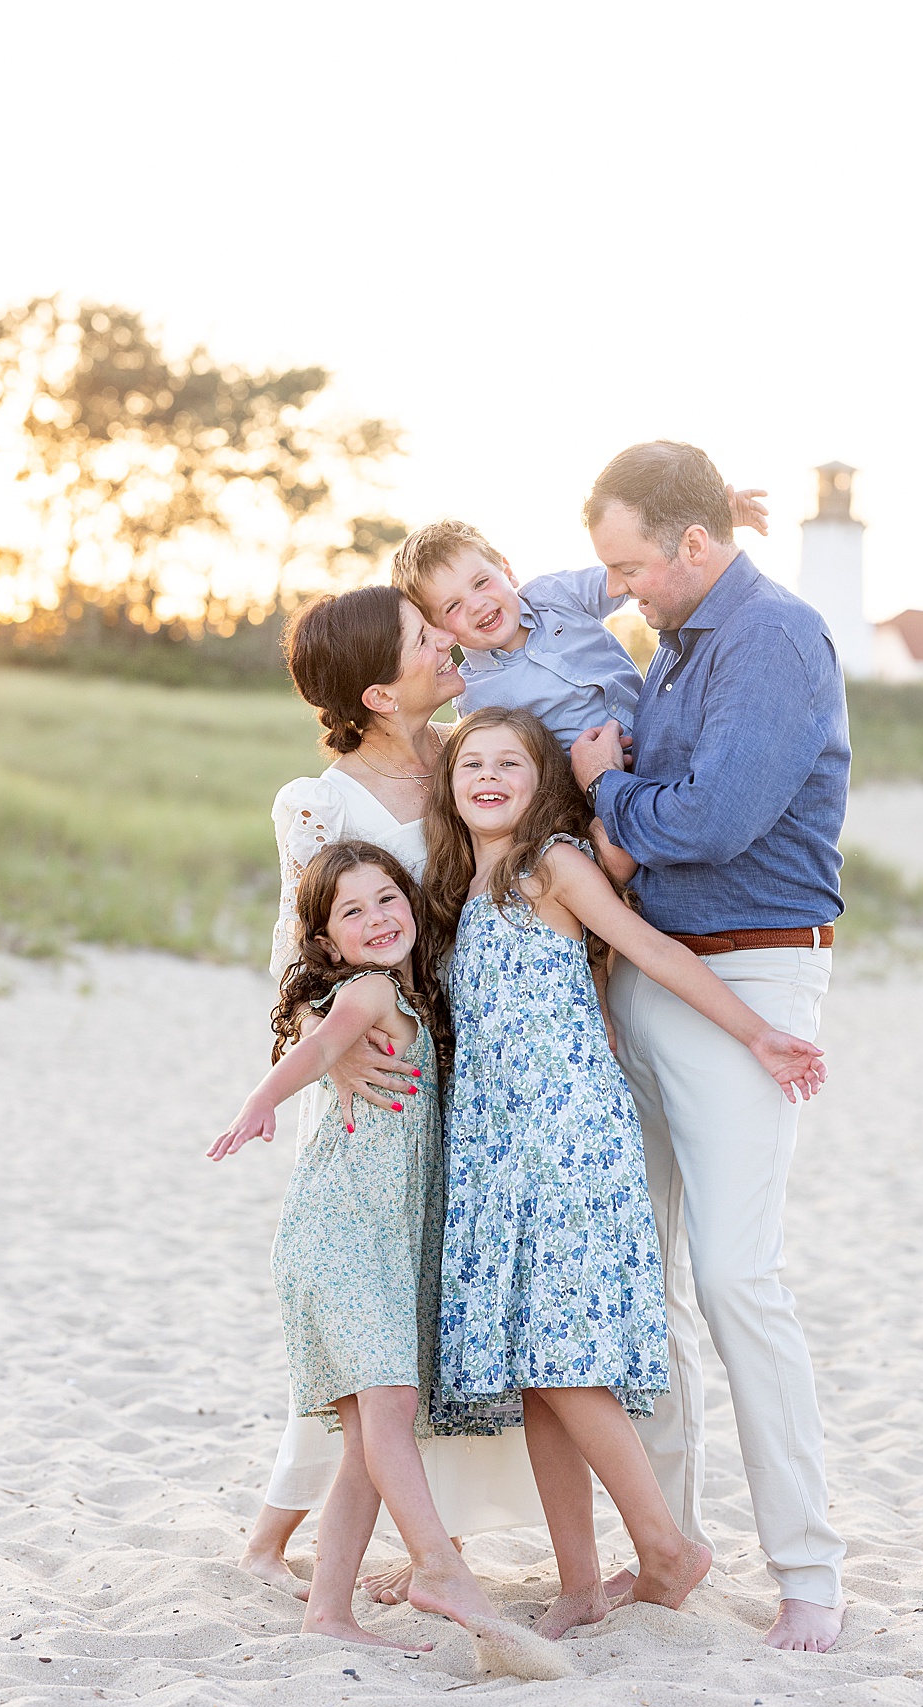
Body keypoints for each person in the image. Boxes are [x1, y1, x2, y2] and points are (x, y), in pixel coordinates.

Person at [423, 708, 827, 1641]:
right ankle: (576, 1582)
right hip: (494, 1142)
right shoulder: (460, 882)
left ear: (542, 782)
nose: (487, 777)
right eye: (469, 763)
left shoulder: (551, 864)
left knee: (563, 1361)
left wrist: (757, 1031)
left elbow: (650, 950)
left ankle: (667, 1548)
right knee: (532, 1372)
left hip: (564, 1133)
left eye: (509, 763)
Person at [570, 440, 851, 1653]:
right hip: (649, 973)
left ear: (695, 544)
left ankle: (810, 1569)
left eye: (636, 566)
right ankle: (667, 1543)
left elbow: (715, 818)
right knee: (651, 1287)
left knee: (739, 1276)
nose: (622, 591)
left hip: (752, 967)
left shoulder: (774, 637)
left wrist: (603, 794)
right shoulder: (677, 635)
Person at [243, 585, 544, 1596]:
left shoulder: (477, 755)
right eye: (425, 635)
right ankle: (286, 1534)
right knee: (366, 1317)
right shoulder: (318, 802)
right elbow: (300, 953)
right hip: (376, 1069)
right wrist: (329, 1052)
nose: (446, 638)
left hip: (472, 1059)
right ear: (377, 690)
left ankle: (426, 1541)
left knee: (422, 1306)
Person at [389, 489, 767, 752]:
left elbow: (634, 570)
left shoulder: (556, 595)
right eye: (452, 606)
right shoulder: (475, 696)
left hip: (664, 738)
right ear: (438, 628)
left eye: (482, 582)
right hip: (589, 789)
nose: (475, 605)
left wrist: (712, 518)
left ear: (507, 570)